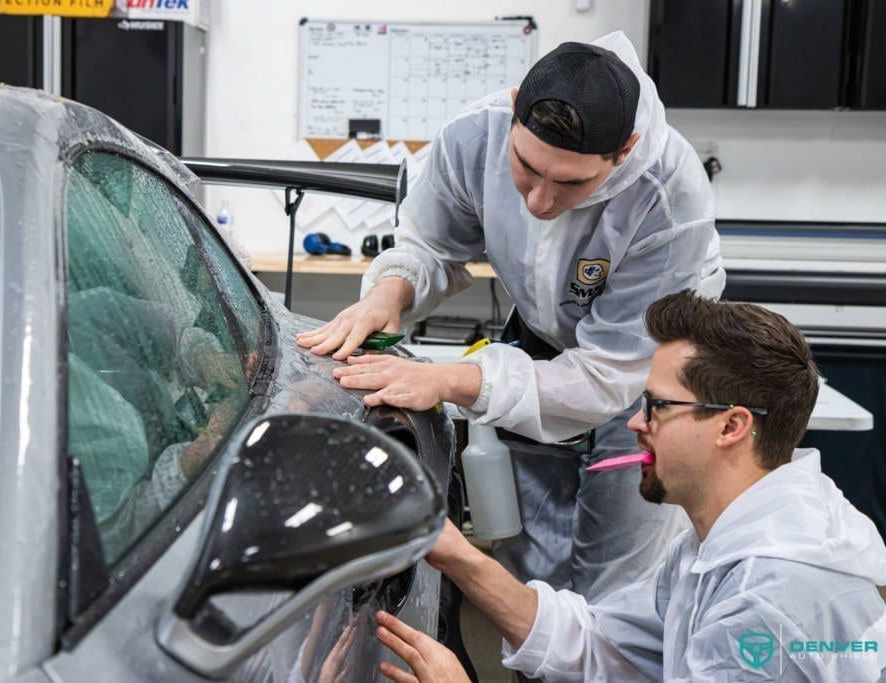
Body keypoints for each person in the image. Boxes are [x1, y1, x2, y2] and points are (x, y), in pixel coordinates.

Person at [297, 31, 725, 598]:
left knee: (619, 584)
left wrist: (450, 380)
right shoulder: (476, 134)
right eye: (526, 167)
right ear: (517, 103)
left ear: (624, 151)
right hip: (542, 342)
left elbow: (607, 375)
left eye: (571, 183)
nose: (539, 202)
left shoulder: (668, 197)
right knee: (529, 565)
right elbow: (429, 247)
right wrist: (389, 294)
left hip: (648, 377)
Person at [372, 290, 886, 682]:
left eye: (657, 406)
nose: (636, 424)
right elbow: (600, 642)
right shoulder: (727, 537)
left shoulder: (769, 597)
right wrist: (460, 556)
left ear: (731, 427)